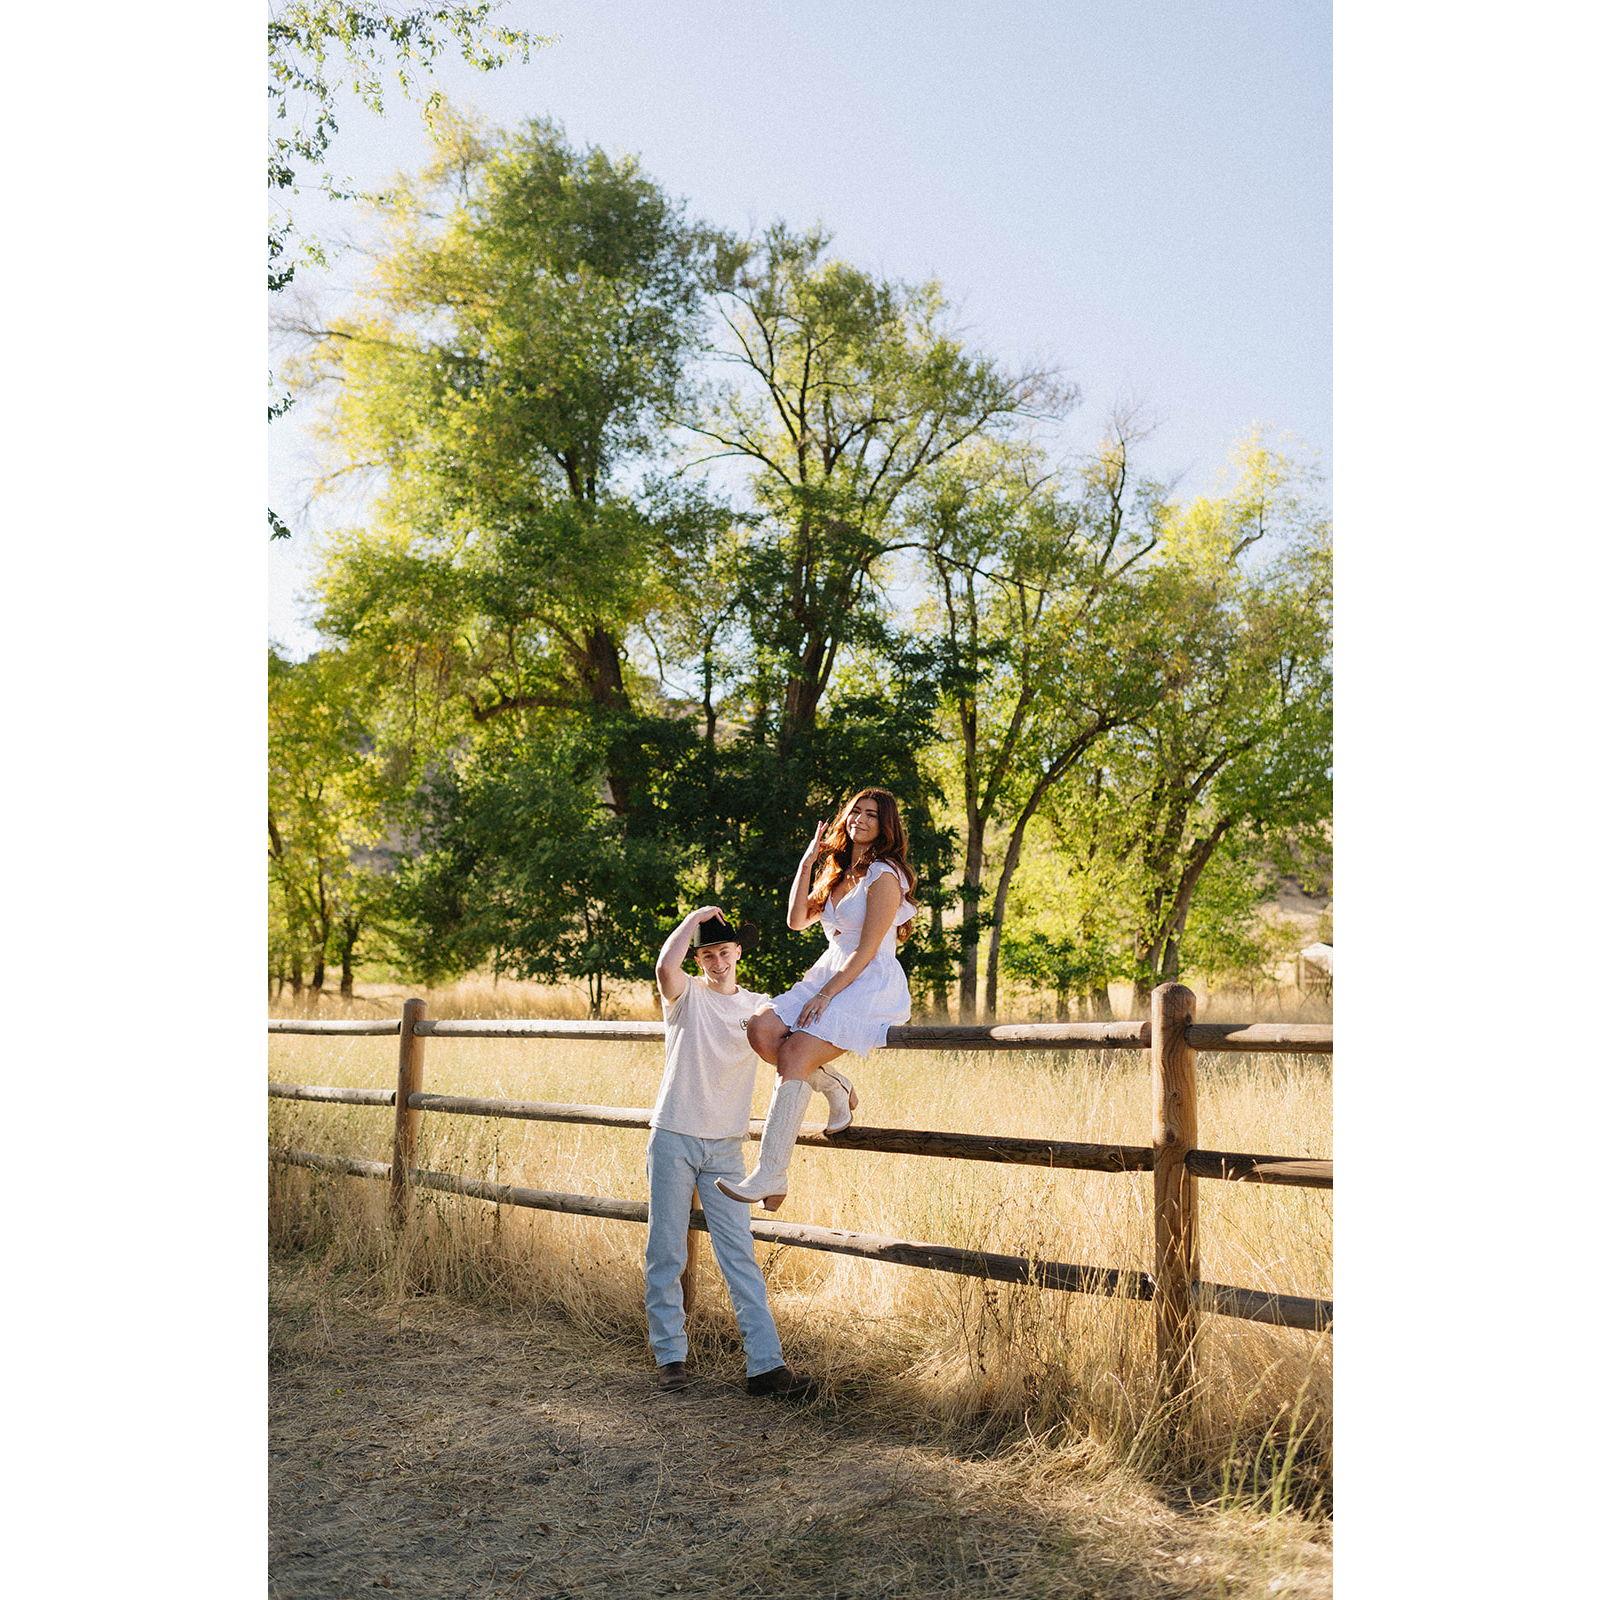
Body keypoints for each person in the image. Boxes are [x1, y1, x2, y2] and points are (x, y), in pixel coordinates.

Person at [645, 905, 819, 1399]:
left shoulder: (759, 1008)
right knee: (666, 1250)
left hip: (726, 1147)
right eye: (708, 955)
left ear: (738, 951)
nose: (718, 962)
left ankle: (765, 1366)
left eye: (724, 951)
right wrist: (694, 917)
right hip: (675, 1136)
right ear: (698, 959)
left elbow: (798, 1045)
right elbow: (664, 967)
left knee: (739, 1254)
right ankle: (670, 1357)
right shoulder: (686, 996)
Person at [716, 788, 917, 1210]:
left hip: (866, 979)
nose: (861, 820)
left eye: (872, 815)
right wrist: (808, 863)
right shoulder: (837, 872)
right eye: (856, 812)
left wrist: (826, 996)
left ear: (885, 826)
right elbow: (795, 921)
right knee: (762, 1029)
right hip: (829, 970)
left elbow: (867, 950)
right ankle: (836, 1086)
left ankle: (770, 1173)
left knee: (794, 1054)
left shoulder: (884, 874)